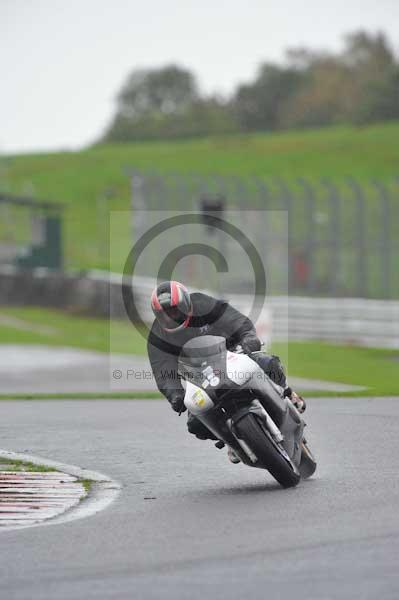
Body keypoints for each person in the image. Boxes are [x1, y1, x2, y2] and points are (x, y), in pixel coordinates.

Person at [147, 280, 305, 463]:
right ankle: (231, 442)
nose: (170, 316)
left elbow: (233, 319)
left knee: (267, 363)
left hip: (232, 352)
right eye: (164, 314)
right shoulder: (157, 335)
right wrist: (175, 395)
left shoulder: (202, 305)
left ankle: (287, 392)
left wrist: (248, 337)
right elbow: (163, 370)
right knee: (196, 424)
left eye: (174, 310)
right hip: (199, 375)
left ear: (185, 303)